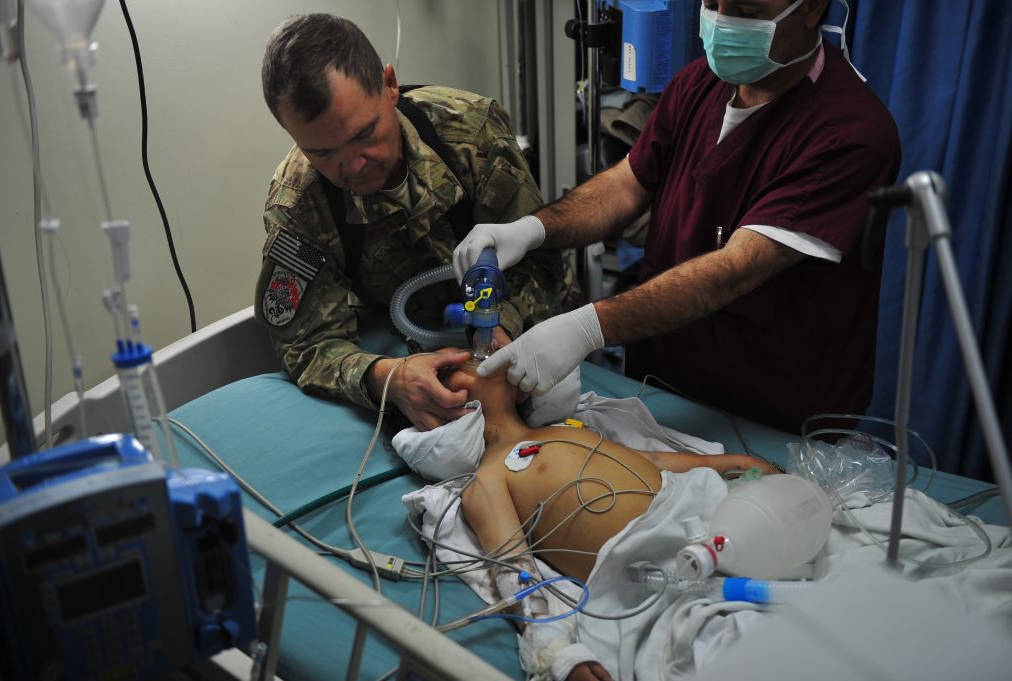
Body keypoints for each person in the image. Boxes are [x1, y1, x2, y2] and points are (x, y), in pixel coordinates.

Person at [453, 0, 902, 434]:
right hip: (664, 382)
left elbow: (735, 268)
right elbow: (628, 183)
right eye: (712, 4)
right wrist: (531, 229)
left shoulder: (851, 134)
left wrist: (587, 327)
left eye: (746, 12)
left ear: (811, 8)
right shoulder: (700, 83)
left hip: (773, 409)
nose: (722, 24)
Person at [256, 13, 577, 431]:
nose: (352, 165)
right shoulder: (299, 205)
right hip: (403, 343)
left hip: (527, 331)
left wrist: (505, 322)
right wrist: (386, 379)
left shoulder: (469, 133)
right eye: (322, 153)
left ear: (389, 84)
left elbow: (545, 258)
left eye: (363, 134)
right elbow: (306, 343)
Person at [424, 359, 778, 681]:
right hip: (654, 566)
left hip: (711, 519)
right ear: (451, 399)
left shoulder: (569, 429)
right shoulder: (489, 475)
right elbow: (512, 566)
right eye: (467, 358)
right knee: (744, 647)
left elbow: (653, 463)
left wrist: (728, 465)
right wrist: (554, 650)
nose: (481, 356)